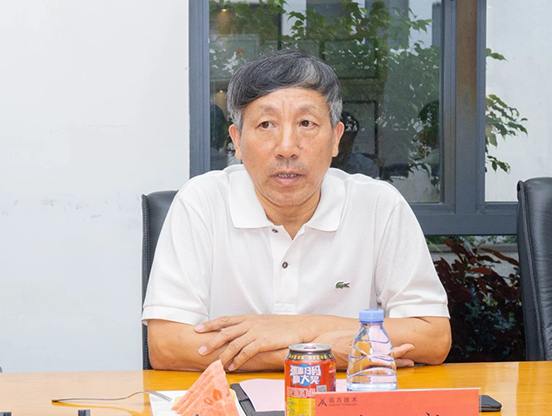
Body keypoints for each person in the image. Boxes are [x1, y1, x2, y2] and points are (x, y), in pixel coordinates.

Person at [142, 50, 451, 372]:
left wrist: (299, 327)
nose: (287, 148)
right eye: (266, 125)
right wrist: (318, 355)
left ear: (336, 139)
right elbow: (167, 346)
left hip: (343, 400)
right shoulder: (202, 202)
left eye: (306, 123)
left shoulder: (378, 206)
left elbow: (432, 336)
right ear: (237, 141)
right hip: (232, 401)